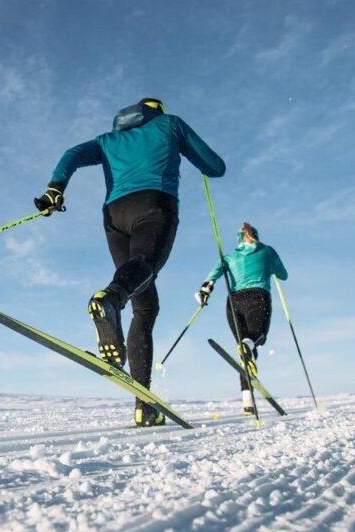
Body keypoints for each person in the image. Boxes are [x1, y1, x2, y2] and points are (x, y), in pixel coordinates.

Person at [35, 98, 225, 426]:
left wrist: (55, 190)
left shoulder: (108, 141)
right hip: (154, 203)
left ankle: (143, 404)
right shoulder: (170, 124)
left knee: (145, 304)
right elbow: (215, 167)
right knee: (140, 270)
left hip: (114, 217)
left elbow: (72, 155)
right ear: (157, 112)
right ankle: (110, 300)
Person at [195, 223, 287, 415]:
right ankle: (248, 346)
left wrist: (205, 291)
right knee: (257, 337)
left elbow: (212, 277)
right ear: (256, 235)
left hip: (234, 301)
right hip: (257, 297)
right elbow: (283, 275)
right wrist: (271, 269)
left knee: (245, 353)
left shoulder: (230, 256)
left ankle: (247, 401)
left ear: (238, 238)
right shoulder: (267, 251)